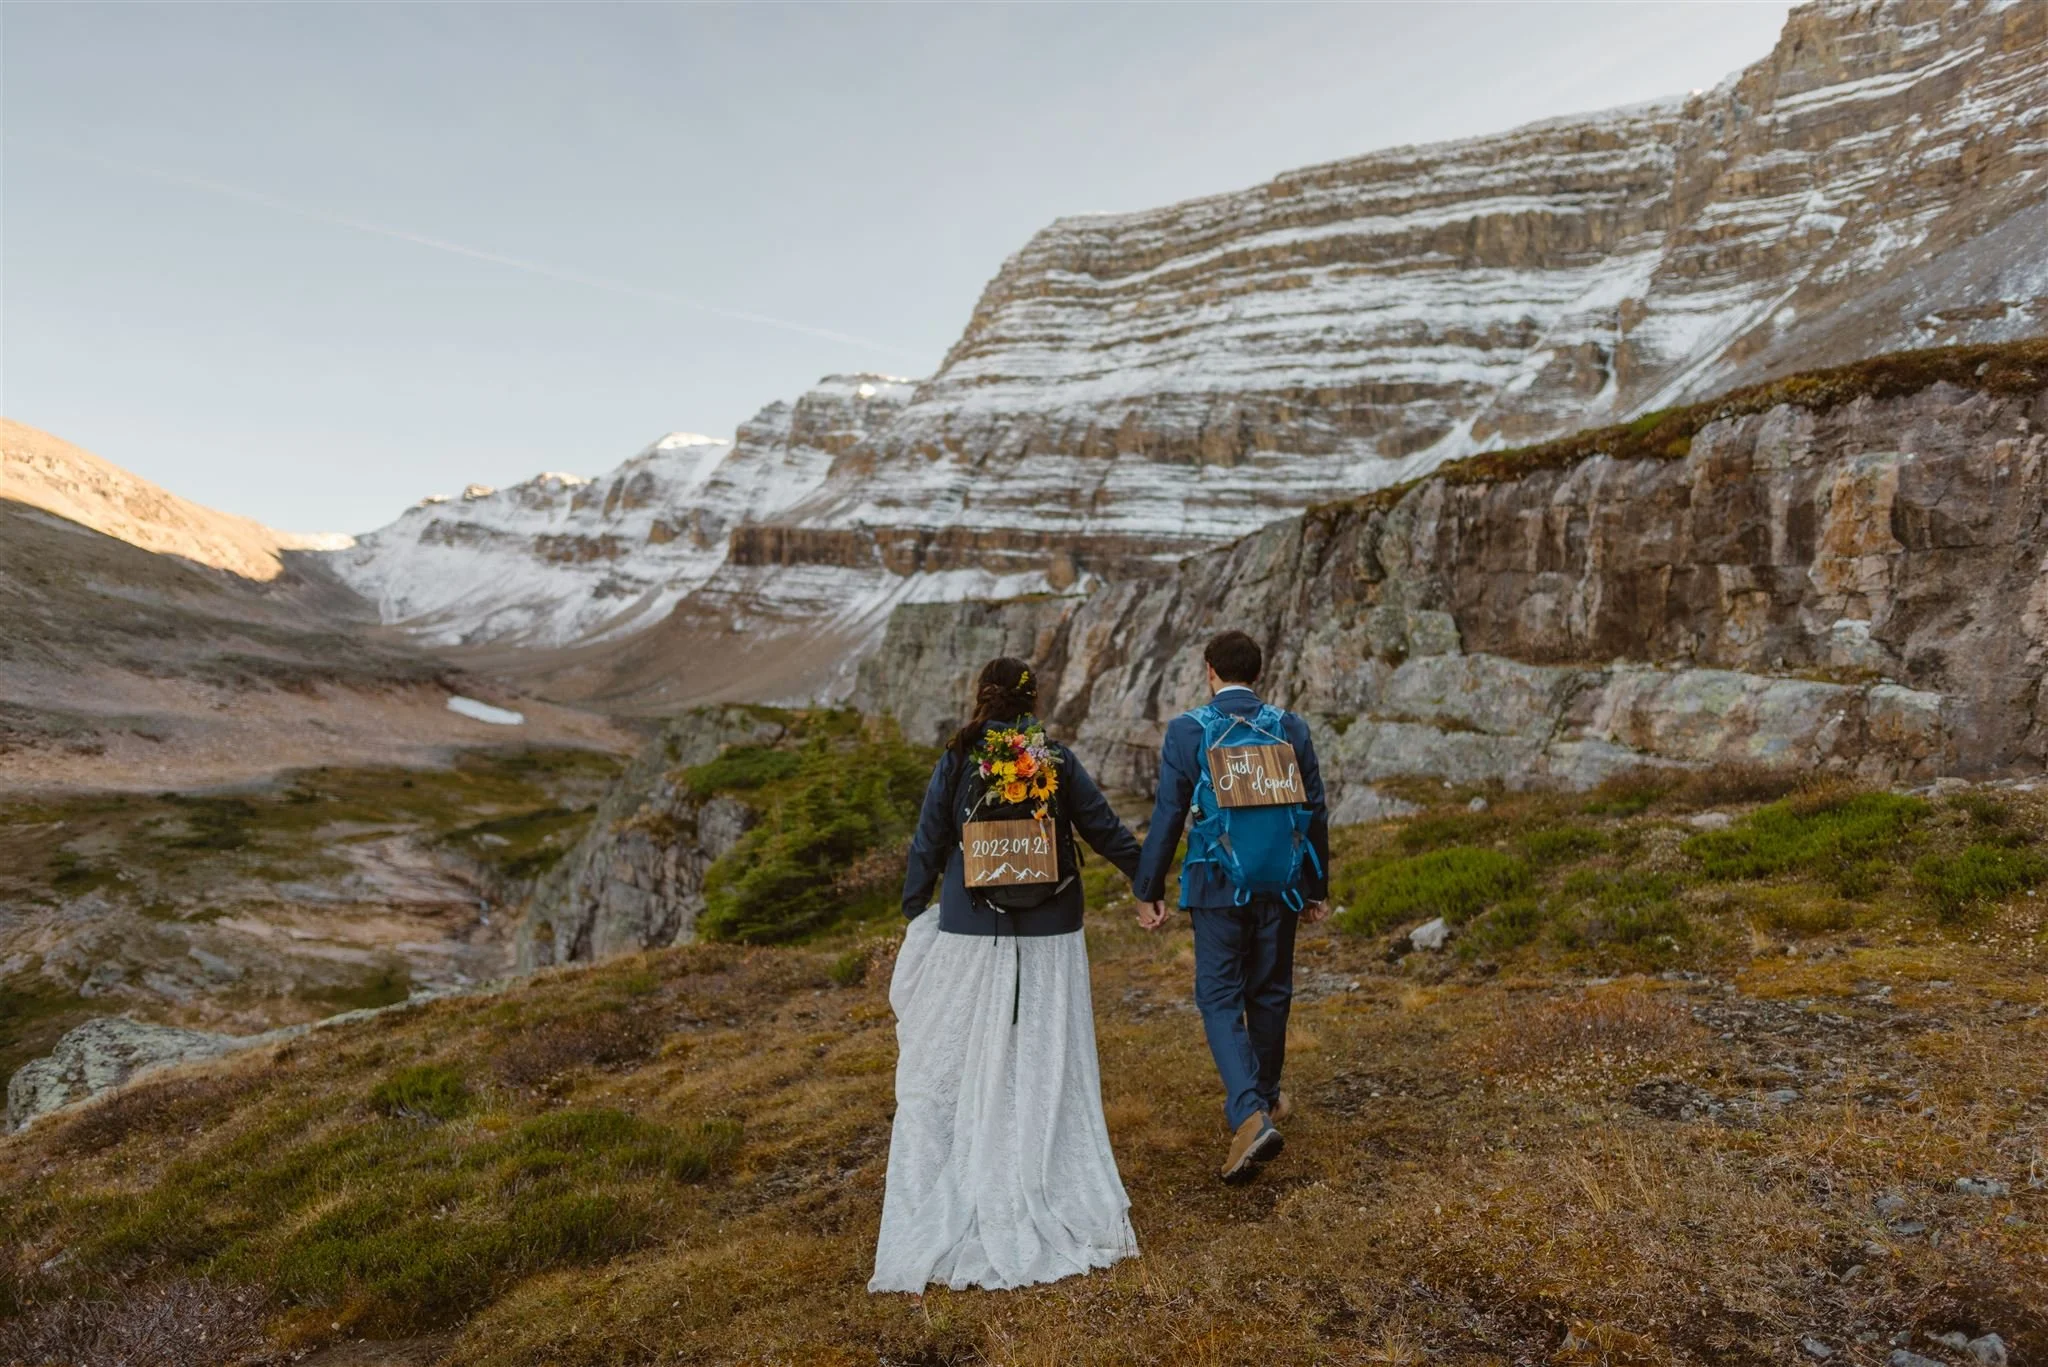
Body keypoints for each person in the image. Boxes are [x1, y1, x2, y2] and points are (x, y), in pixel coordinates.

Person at [869, 656, 1144, 1294]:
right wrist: (1147, 879)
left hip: (973, 928)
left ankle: (976, 1152)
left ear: (982, 696)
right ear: (1033, 700)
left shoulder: (959, 756)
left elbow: (929, 839)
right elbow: (1101, 827)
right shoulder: (1055, 758)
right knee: (1043, 1046)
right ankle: (1043, 1157)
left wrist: (916, 907)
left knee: (970, 1049)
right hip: (1053, 931)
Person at [1132, 629, 1331, 1183]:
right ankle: (1265, 1097)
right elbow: (1314, 810)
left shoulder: (1188, 730)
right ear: (1258, 673)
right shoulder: (1290, 727)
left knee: (1220, 996)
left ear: (1210, 671)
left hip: (1216, 883)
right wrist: (1315, 888)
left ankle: (1249, 1112)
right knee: (1270, 992)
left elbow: (1170, 813)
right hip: (1281, 883)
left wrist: (1147, 886)